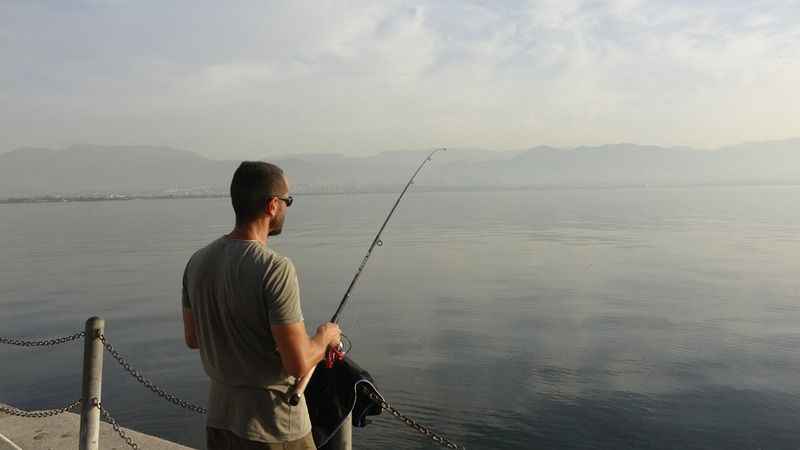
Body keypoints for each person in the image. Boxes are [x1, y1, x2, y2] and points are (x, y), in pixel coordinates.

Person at [181, 161, 341, 450]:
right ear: (272, 206)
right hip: (274, 428)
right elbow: (297, 362)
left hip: (221, 420)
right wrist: (325, 337)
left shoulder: (197, 262)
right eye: (287, 201)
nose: (287, 208)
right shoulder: (275, 269)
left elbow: (193, 339)